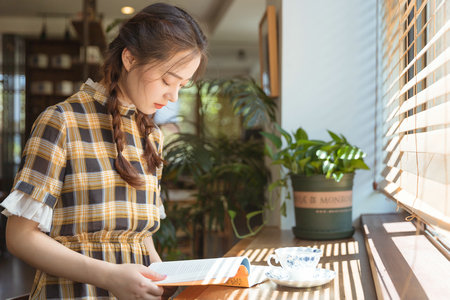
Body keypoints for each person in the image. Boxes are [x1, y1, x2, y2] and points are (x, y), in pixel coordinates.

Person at [0, 2, 207, 299]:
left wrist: (161, 276)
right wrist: (110, 276)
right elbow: (19, 238)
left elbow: (140, 238)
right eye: (166, 80)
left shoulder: (151, 136)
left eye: (182, 86)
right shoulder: (62, 121)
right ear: (130, 58)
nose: (172, 96)